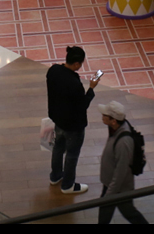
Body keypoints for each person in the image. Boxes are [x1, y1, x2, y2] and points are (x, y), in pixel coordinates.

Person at [47, 45, 99, 195]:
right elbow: (82, 105)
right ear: (76, 64)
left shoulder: (53, 70)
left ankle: (55, 176)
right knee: (72, 154)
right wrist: (91, 88)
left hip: (58, 119)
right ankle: (68, 185)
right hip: (73, 126)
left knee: (58, 148)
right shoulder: (74, 84)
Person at [97, 100, 148, 224]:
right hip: (112, 184)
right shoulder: (116, 128)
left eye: (105, 115)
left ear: (113, 121)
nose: (102, 116)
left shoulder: (123, 142)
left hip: (118, 187)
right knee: (112, 211)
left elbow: (121, 170)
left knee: (128, 212)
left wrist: (110, 193)